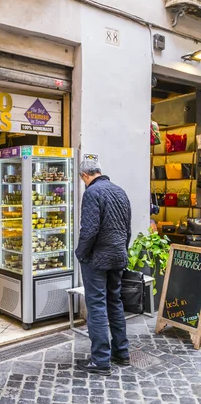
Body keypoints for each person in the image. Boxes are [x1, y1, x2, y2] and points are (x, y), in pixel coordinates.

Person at [75, 158, 131, 376]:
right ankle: (121, 352)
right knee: (114, 302)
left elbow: (89, 230)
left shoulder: (91, 193)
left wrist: (81, 253)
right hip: (118, 255)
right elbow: (127, 229)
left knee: (96, 305)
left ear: (84, 176)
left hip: (97, 258)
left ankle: (100, 360)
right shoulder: (119, 191)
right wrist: (122, 250)